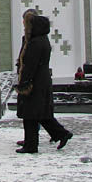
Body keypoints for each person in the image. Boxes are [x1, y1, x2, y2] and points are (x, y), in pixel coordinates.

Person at [15, 8, 73, 154]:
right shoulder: (42, 39)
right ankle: (58, 134)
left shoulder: (35, 42)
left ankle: (31, 145)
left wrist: (24, 82)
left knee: (31, 114)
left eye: (25, 23)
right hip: (41, 81)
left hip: (35, 83)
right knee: (38, 114)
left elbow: (30, 65)